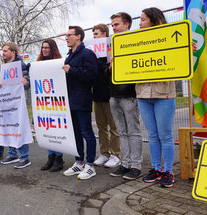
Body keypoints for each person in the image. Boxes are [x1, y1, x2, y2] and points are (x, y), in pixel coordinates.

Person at [137, 7, 176, 188]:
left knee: (165, 135)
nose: (140, 23)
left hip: (164, 94)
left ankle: (168, 171)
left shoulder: (170, 39)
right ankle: (157, 169)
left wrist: (186, 51)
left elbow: (179, 64)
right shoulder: (134, 42)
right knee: (152, 135)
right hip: (142, 94)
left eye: (143, 19)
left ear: (154, 20)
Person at [108, 12, 144, 180]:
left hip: (129, 94)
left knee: (133, 131)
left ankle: (136, 166)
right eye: (112, 25)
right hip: (114, 94)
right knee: (122, 131)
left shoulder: (135, 42)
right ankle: (125, 163)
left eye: (117, 24)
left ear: (127, 25)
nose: (114, 28)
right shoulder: (112, 45)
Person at [61, 26, 99, 180]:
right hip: (70, 100)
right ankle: (79, 162)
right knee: (75, 132)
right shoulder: (69, 55)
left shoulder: (87, 53)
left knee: (86, 132)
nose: (66, 38)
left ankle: (90, 164)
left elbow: (92, 75)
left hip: (82, 99)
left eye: (69, 35)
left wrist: (72, 70)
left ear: (78, 36)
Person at [0, 42, 31, 169]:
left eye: (5, 51)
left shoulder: (21, 65)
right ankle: (12, 154)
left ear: (13, 52)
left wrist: (25, 81)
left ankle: (24, 157)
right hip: (6, 103)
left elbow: (28, 82)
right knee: (9, 127)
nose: (3, 53)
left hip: (17, 103)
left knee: (19, 128)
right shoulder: (3, 67)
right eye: (2, 50)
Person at [91, 24, 122, 168]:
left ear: (104, 34)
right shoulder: (93, 54)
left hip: (110, 94)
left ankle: (116, 154)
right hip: (97, 95)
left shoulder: (111, 52)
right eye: (93, 34)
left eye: (96, 34)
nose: (94, 37)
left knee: (114, 127)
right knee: (101, 126)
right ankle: (104, 153)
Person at [36, 39, 65, 172]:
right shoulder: (38, 64)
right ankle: (50, 157)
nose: (44, 50)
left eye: (47, 47)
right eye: (43, 47)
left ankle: (59, 159)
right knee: (47, 129)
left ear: (52, 49)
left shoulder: (59, 62)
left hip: (56, 102)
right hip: (44, 103)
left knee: (56, 130)